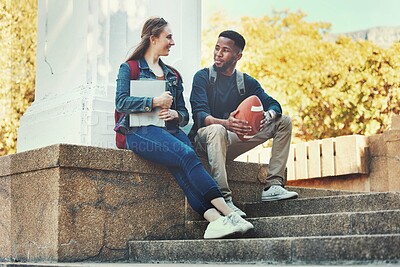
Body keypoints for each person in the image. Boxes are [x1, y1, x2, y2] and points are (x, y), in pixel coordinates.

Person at [115, 18, 253, 239]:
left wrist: (175, 114)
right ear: (153, 39)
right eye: (168, 37)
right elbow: (121, 103)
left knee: (183, 168)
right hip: (139, 132)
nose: (172, 42)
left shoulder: (173, 75)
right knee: (187, 154)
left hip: (169, 131)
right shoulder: (129, 68)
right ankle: (229, 213)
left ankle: (215, 222)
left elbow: (185, 113)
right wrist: (154, 102)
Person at [189, 30, 298, 217]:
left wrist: (269, 115)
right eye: (216, 48)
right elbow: (200, 115)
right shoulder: (202, 77)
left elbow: (273, 103)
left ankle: (273, 186)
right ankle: (224, 199)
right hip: (203, 143)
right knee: (216, 129)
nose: (218, 53)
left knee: (283, 121)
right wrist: (226, 123)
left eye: (225, 50)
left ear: (238, 56)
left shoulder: (245, 82)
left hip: (229, 141)